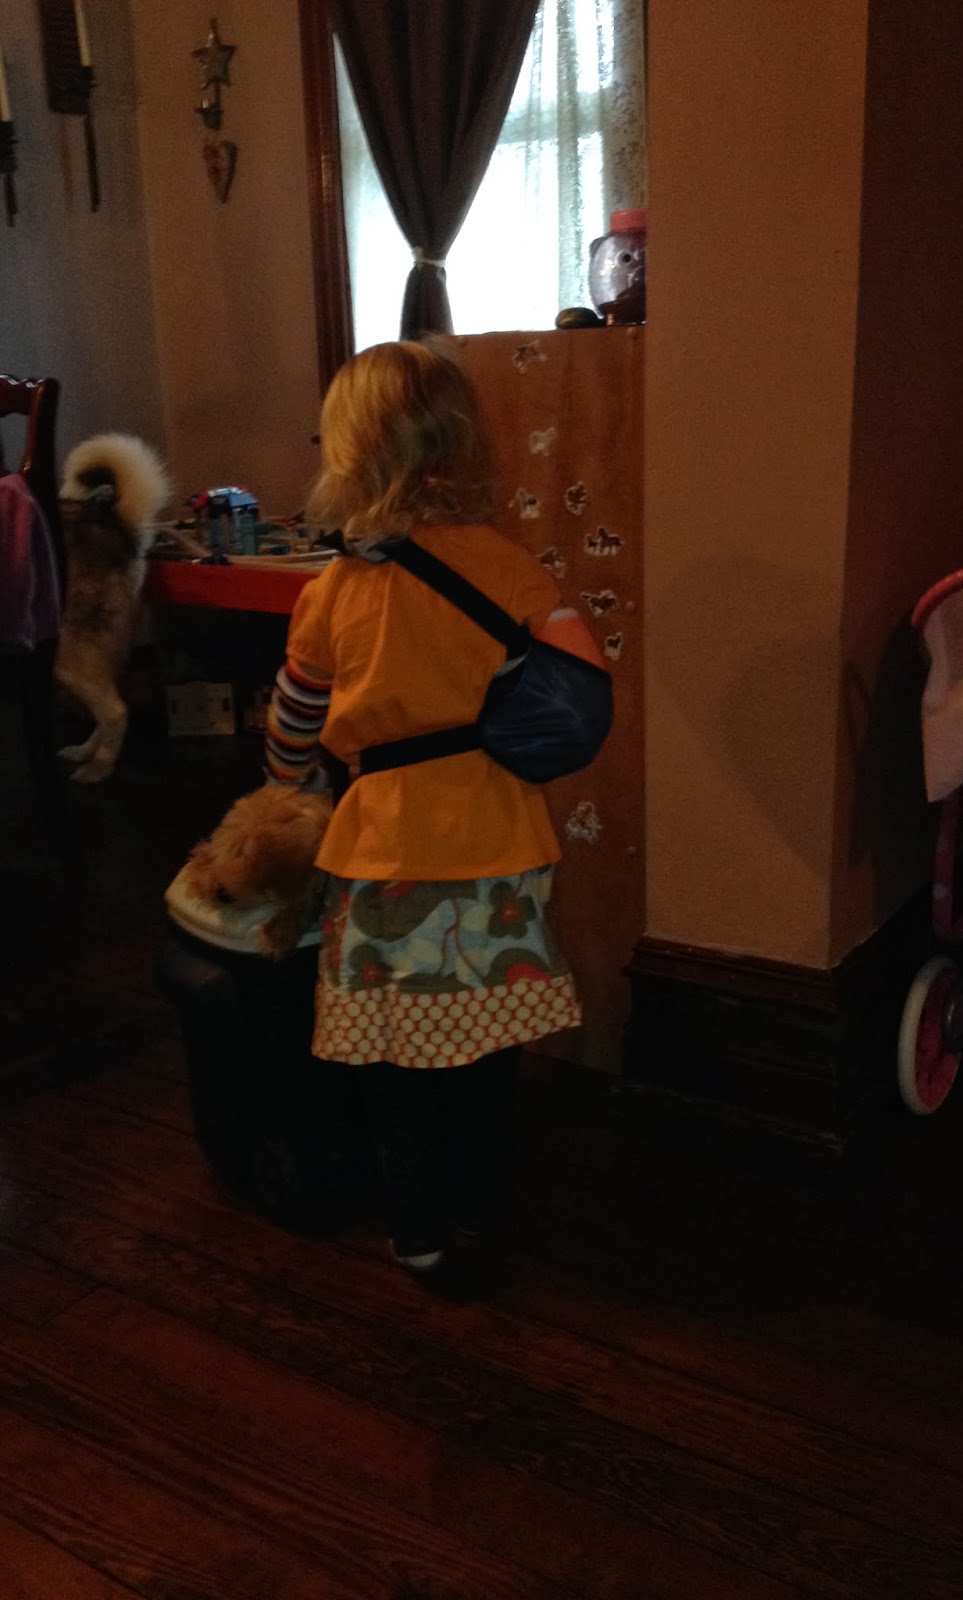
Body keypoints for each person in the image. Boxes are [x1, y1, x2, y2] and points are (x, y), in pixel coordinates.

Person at [264, 339, 602, 1278]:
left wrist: (291, 784)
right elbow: (584, 681)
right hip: (500, 841)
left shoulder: (335, 589)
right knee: (486, 1048)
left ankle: (417, 1232)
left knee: (393, 1058)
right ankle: (475, 1210)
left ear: (349, 454)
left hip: (386, 855)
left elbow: (293, 725)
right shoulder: (509, 569)